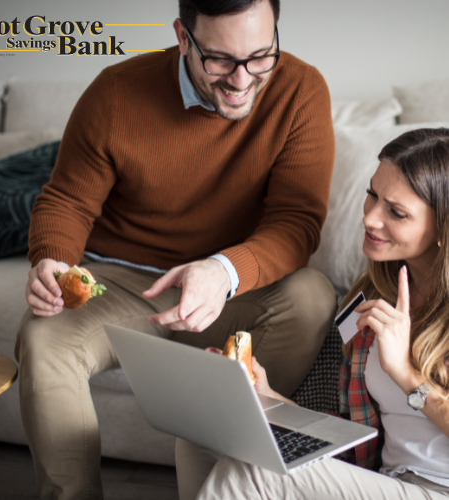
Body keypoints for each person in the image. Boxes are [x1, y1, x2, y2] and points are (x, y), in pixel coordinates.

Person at [14, 0, 337, 498]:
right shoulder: (117, 91)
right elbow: (67, 199)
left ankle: (239, 482)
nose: (242, 79)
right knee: (43, 337)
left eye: (261, 55)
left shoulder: (300, 89)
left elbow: (296, 223)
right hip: (121, 284)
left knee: (313, 294)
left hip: (231, 294)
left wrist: (222, 270)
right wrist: (52, 259)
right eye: (221, 60)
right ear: (183, 38)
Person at [176, 128, 449, 500]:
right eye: (372, 195)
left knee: (258, 472)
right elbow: (349, 432)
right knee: (203, 430)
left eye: (396, 212)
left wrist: (404, 374)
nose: (370, 218)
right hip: (387, 479)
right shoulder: (369, 298)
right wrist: (268, 397)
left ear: (442, 228)